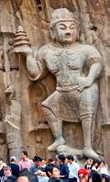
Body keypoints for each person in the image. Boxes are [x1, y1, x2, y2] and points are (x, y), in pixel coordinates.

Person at [14, 9, 103, 159]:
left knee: (87, 107)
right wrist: (28, 55)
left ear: (77, 30)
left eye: (71, 27)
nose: (68, 31)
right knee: (48, 105)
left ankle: (88, 146)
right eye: (62, 28)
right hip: (62, 90)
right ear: (52, 31)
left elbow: (96, 64)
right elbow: (36, 73)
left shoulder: (85, 49)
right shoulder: (46, 51)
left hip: (83, 88)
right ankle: (59, 138)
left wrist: (89, 79)